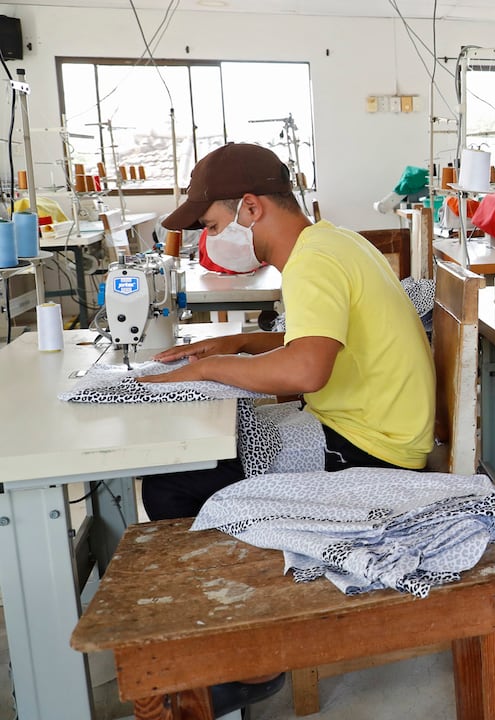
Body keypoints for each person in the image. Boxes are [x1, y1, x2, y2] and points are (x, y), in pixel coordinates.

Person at [135, 142, 436, 715]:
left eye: (211, 224)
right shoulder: (332, 241)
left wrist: (205, 369)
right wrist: (242, 344)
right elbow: (315, 345)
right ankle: (240, 629)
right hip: (367, 428)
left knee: (173, 485)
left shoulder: (311, 262)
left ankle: (250, 648)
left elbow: (306, 370)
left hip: (371, 453)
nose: (208, 240)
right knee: (205, 458)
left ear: (250, 209)